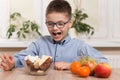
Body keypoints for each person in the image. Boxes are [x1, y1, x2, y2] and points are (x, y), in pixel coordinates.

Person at [0, 0, 107, 71]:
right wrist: (12, 63)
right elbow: (24, 57)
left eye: (60, 24)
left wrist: (71, 65)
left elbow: (103, 61)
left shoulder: (79, 46)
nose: (55, 28)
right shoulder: (39, 44)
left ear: (70, 23)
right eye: (50, 23)